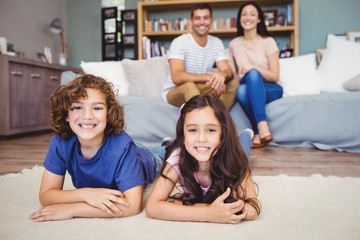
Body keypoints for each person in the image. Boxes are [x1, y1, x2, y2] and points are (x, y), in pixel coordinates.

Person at [30, 74, 165, 222]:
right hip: (127, 149)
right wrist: (86, 194)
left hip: (147, 158)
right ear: (66, 114)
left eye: (97, 108)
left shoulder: (123, 146)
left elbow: (132, 206)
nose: (87, 116)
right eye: (77, 107)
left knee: (167, 154)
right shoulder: (60, 142)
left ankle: (167, 145)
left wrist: (73, 209)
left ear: (108, 113)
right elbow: (46, 195)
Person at [145, 94, 260, 224]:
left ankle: (246, 135)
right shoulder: (178, 157)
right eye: (193, 130)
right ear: (183, 135)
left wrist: (187, 207)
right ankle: (167, 144)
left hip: (232, 149)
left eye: (211, 130)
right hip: (184, 147)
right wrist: (209, 213)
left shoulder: (235, 158)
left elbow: (253, 208)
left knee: (243, 147)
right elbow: (152, 207)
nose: (201, 139)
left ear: (223, 134)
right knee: (170, 148)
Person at [161, 3, 238, 111]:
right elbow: (177, 77)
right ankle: (202, 121)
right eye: (197, 18)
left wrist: (222, 75)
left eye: (205, 18)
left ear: (211, 20)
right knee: (190, 86)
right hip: (176, 91)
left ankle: (218, 118)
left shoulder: (216, 42)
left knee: (233, 83)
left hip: (202, 88)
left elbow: (227, 71)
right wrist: (207, 77)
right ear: (191, 21)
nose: (202, 22)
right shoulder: (180, 42)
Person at [228, 1, 283, 148]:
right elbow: (234, 76)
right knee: (241, 90)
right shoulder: (234, 44)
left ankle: (260, 127)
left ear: (259, 19)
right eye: (244, 14)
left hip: (271, 88)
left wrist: (254, 67)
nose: (248, 18)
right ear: (240, 19)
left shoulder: (268, 42)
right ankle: (261, 130)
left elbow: (275, 76)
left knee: (253, 73)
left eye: (252, 14)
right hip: (246, 87)